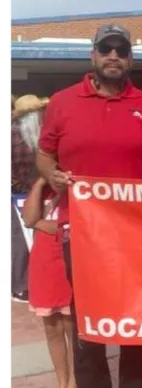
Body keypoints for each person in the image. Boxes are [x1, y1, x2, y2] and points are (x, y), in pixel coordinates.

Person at [36, 24, 142, 388]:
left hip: (137, 237)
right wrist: (53, 176)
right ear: (93, 55)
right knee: (87, 323)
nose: (113, 55)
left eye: (121, 50)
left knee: (136, 321)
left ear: (130, 59)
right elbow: (44, 154)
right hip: (80, 234)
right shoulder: (62, 102)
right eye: (106, 48)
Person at [23, 177, 78, 388]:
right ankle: (61, 381)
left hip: (68, 260)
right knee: (51, 328)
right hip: (43, 263)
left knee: (70, 327)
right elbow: (28, 218)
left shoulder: (75, 192)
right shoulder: (43, 191)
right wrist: (38, 183)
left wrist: (40, 223)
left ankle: (74, 383)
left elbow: (73, 225)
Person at [11, 94, 49, 303]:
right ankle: (22, 286)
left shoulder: (33, 136)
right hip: (23, 194)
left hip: (26, 193)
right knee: (24, 241)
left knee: (26, 241)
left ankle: (23, 285)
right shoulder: (18, 137)